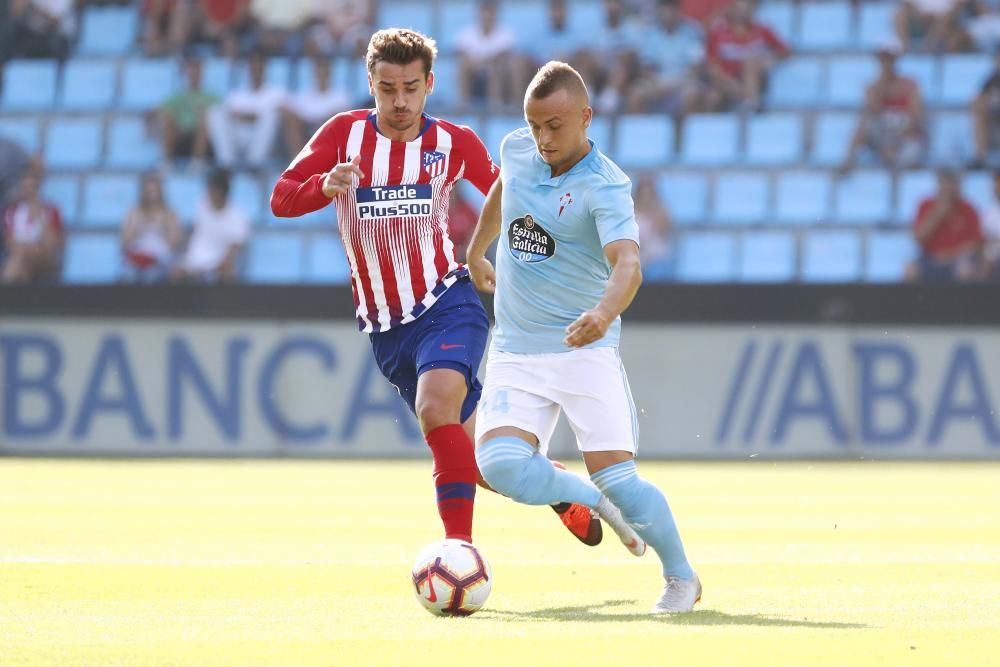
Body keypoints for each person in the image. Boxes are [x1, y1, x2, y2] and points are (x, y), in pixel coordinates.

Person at [271, 28, 605, 549]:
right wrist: (324, 185)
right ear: (371, 84)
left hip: (447, 303)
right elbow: (281, 198)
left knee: (435, 409)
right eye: (387, 89)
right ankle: (561, 490)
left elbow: (514, 192)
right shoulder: (343, 135)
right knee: (477, 464)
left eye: (409, 87)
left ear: (429, 84)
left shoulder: (452, 142)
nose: (399, 101)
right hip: (386, 327)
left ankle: (459, 555)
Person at [465, 61, 700, 613]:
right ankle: (591, 500)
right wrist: (476, 248)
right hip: (517, 347)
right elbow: (504, 186)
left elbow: (629, 266)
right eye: (534, 124)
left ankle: (682, 578)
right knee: (496, 465)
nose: (542, 138)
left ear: (585, 118)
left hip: (581, 350)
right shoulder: (518, 148)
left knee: (622, 477)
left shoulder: (606, 185)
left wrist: (603, 312)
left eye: (555, 125)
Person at [841, 41, 926, 173]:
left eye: (889, 59)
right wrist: (883, 82)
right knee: (863, 123)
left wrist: (895, 142)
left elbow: (915, 117)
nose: (886, 63)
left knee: (909, 155)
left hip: (903, 133)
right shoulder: (872, 86)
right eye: (883, 59)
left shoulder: (911, 85)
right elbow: (873, 110)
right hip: (883, 132)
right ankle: (848, 161)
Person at [705, 0, 790, 112]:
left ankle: (751, 105)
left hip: (757, 78)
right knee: (712, 96)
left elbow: (785, 50)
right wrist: (736, 87)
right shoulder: (718, 33)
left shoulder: (762, 29)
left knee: (751, 62)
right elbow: (712, 63)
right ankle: (750, 101)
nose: (743, 13)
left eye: (747, 9)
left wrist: (769, 59)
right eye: (740, 9)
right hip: (728, 80)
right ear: (732, 10)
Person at [207, 52, 285, 170]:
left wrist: (247, 116)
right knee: (215, 111)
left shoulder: (276, 93)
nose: (255, 70)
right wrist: (253, 116)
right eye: (253, 67)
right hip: (238, 135)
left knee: (271, 115)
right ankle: (226, 163)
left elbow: (285, 114)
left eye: (259, 67)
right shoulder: (237, 94)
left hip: (263, 139)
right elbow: (228, 114)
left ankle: (256, 163)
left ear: (264, 69)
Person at [906, 170, 984, 282]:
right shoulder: (925, 205)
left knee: (965, 270)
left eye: (950, 185)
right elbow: (919, 238)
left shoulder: (968, 208)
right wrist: (937, 214)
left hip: (956, 260)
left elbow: (975, 244)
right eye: (943, 184)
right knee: (910, 269)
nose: (947, 189)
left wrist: (948, 256)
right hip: (929, 259)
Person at [173, 168, 249, 282]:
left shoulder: (237, 216)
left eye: (213, 191)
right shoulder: (201, 206)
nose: (209, 194)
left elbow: (234, 249)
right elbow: (195, 235)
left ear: (222, 192)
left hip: (220, 261)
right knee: (176, 272)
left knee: (228, 273)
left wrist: (217, 266)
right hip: (196, 258)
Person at [280, 56, 351, 160]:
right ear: (314, 74)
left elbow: (344, 115)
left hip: (329, 129)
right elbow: (288, 108)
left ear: (329, 74)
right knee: (292, 122)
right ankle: (297, 161)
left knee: (336, 120)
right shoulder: (304, 94)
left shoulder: (340, 95)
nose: (321, 76)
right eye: (319, 73)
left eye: (324, 73)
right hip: (306, 127)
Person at [455, 0, 518, 110]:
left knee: (496, 68)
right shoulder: (466, 33)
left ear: (495, 14)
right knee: (463, 67)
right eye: (485, 11)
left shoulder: (505, 33)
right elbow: (462, 55)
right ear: (479, 13)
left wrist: (486, 61)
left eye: (491, 12)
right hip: (474, 73)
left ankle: (495, 108)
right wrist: (480, 62)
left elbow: (504, 56)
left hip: (497, 74)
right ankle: (463, 106)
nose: (487, 15)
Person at [2, 172, 64, 284]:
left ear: (38, 189)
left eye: (32, 188)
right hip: (20, 253)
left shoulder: (51, 210)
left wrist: (38, 216)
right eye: (26, 188)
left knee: (19, 258)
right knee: (22, 262)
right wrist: (27, 247)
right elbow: (9, 242)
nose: (29, 191)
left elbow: (51, 243)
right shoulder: (12, 211)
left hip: (44, 255)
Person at [121, 172, 183, 282]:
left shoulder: (170, 213)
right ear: (143, 191)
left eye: (154, 191)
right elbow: (125, 243)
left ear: (160, 192)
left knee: (152, 274)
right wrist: (138, 227)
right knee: (128, 272)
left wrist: (162, 226)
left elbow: (174, 244)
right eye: (148, 191)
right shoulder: (133, 212)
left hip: (160, 260)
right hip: (138, 258)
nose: (152, 195)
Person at [159, 58, 216, 168]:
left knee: (204, 119)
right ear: (186, 73)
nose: (194, 74)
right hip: (180, 133)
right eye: (191, 70)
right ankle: (166, 163)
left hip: (204, 134)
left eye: (197, 70)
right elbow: (162, 110)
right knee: (167, 120)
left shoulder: (211, 97)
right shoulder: (176, 97)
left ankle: (197, 163)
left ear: (202, 73)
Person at [633, 172, 674, 280]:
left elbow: (664, 234)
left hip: (656, 260)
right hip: (637, 260)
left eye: (649, 192)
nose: (646, 196)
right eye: (643, 193)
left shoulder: (662, 211)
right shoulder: (630, 212)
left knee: (657, 272)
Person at [895, 0, 970, 52]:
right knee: (898, 15)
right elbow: (907, 4)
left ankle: (929, 46)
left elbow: (959, 5)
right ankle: (906, 47)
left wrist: (942, 16)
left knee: (945, 19)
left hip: (946, 21)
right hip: (919, 19)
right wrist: (921, 15)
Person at [972, 50, 1000, 167]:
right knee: (980, 115)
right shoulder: (992, 78)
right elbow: (980, 98)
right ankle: (980, 157)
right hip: (995, 114)